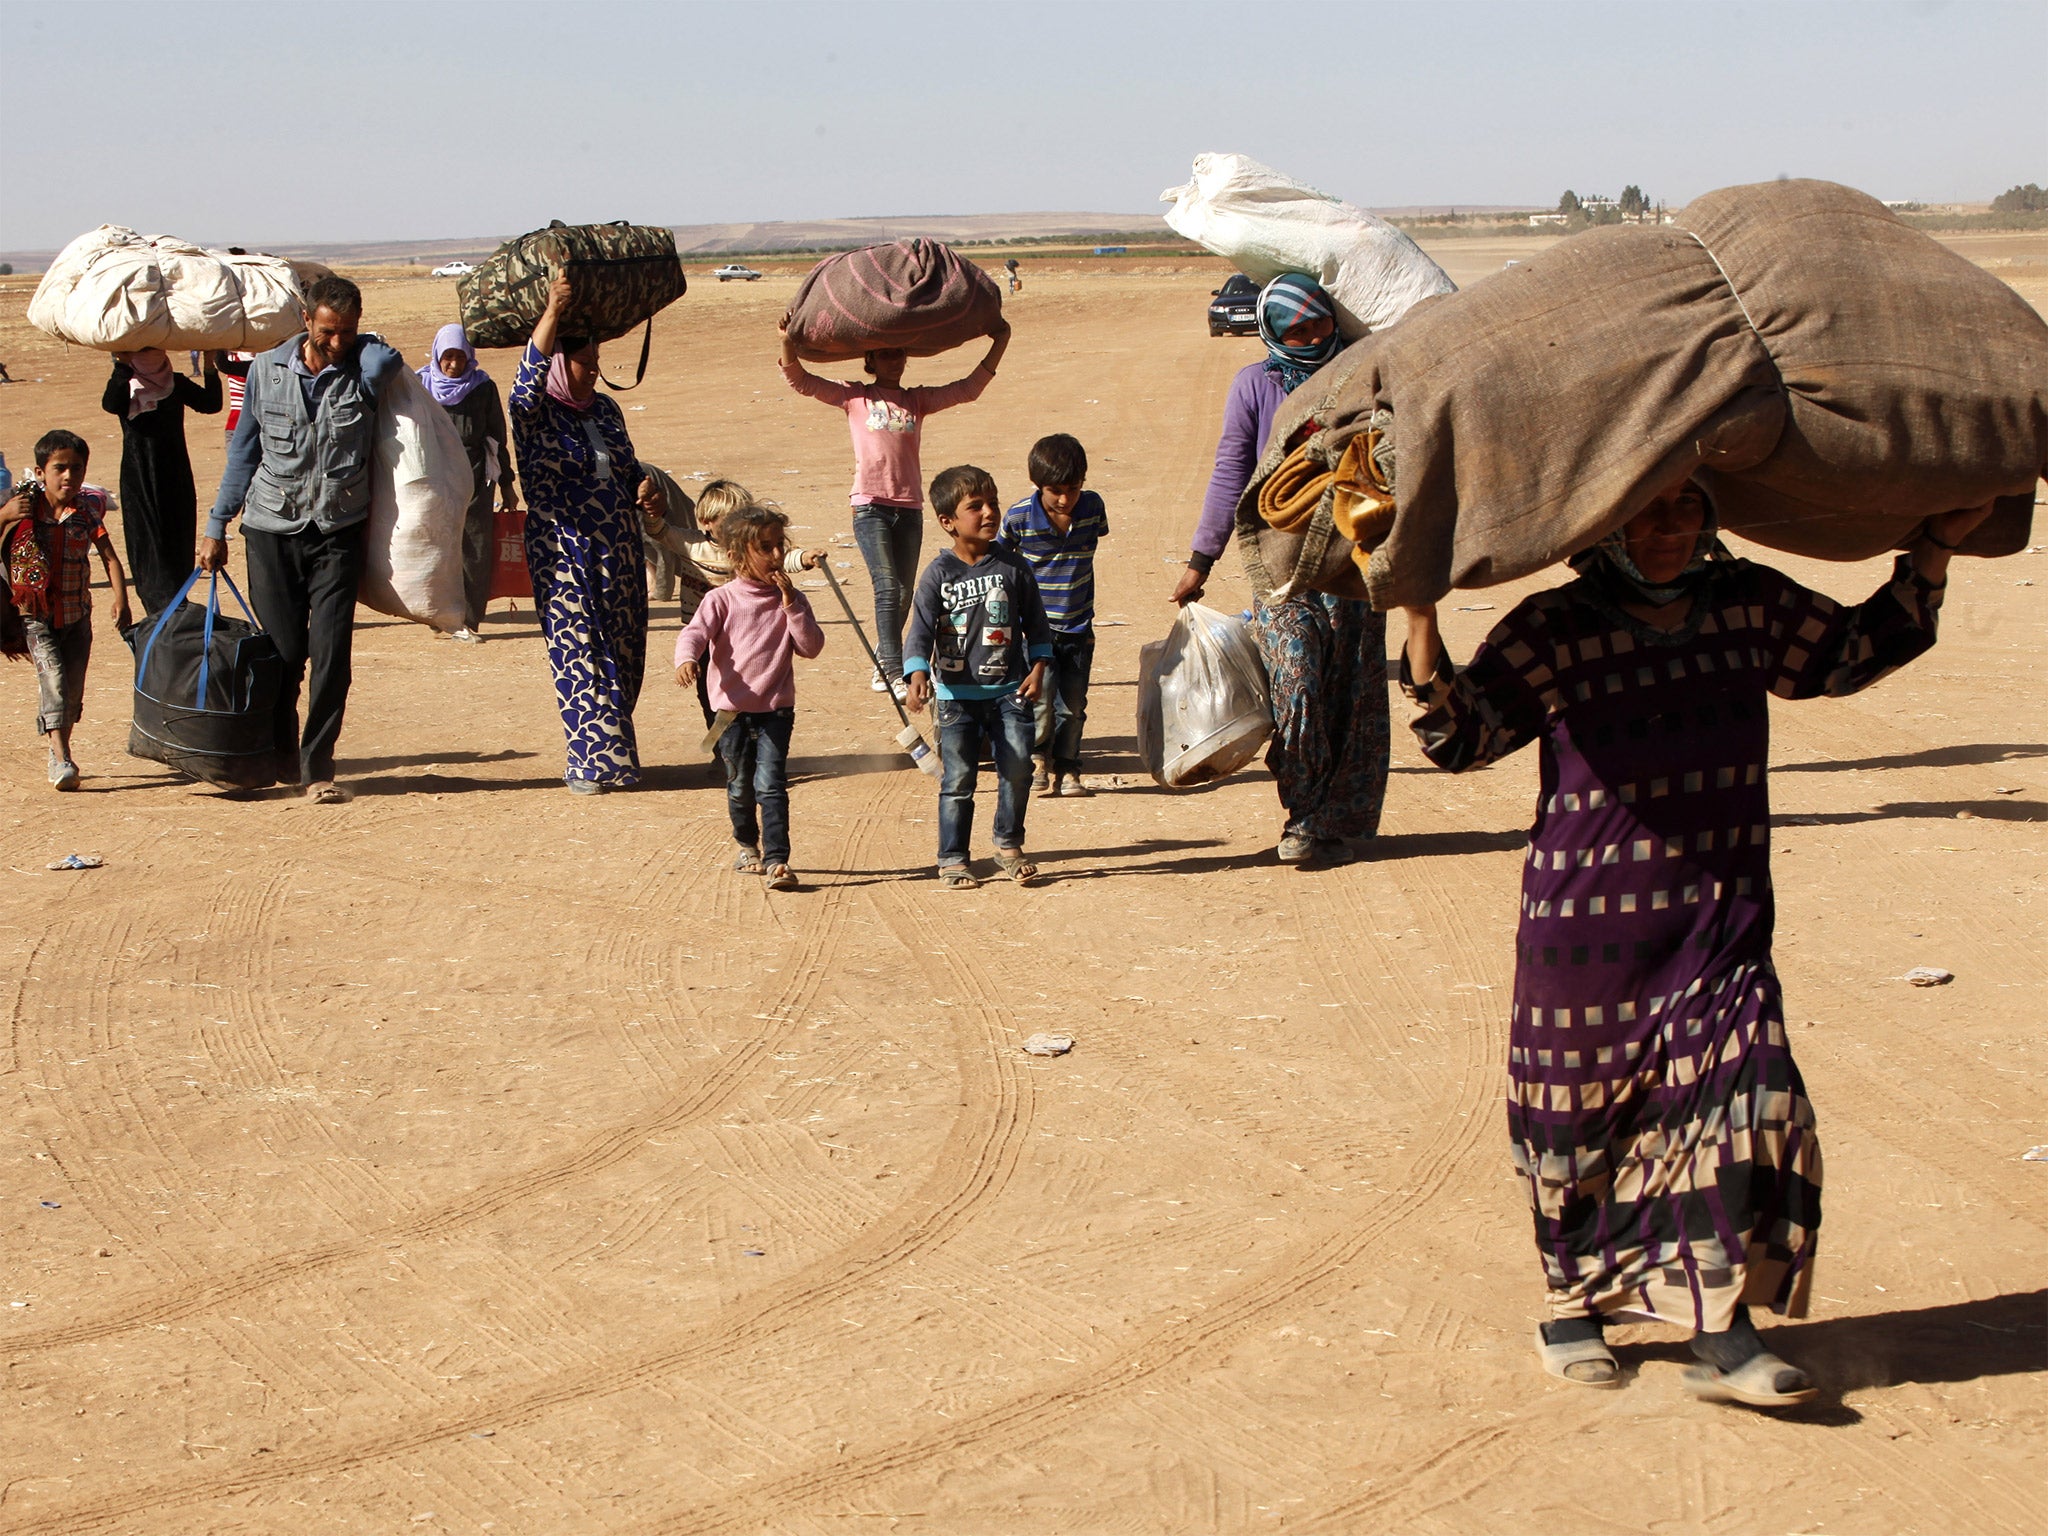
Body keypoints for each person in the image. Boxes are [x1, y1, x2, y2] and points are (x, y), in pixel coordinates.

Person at [1397, 478, 1995, 1408]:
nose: (1672, 531)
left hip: (1719, 918)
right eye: (1648, 511)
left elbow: (1843, 655)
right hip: (1588, 928)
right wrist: (1418, 611)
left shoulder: (1747, 603)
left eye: (1687, 509)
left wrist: (1933, 554)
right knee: (1574, 1122)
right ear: (1604, 521)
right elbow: (1460, 735)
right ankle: (1572, 1302)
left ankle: (1723, 1323)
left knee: (1746, 1101)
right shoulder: (1553, 626)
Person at [1171, 273, 1388, 868]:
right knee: (1297, 681)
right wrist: (1200, 561)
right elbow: (1230, 474)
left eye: (1321, 322)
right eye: (1298, 328)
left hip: (1354, 560)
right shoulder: (1254, 386)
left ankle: (1326, 821)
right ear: (1273, 331)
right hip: (1280, 565)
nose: (1313, 335)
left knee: (1351, 691)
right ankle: (1301, 807)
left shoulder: (1361, 373)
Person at [202, 274, 402, 802]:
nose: (337, 343)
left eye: (349, 333)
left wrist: (363, 345)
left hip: (338, 530)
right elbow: (244, 454)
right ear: (306, 320)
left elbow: (389, 359)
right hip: (271, 529)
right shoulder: (265, 371)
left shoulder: (363, 368)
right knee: (285, 653)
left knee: (332, 652)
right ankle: (281, 752)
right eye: (328, 332)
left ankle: (318, 767)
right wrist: (216, 524)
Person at [779, 316, 1010, 699]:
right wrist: (787, 339)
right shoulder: (854, 397)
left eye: (899, 352)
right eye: (886, 353)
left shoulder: (915, 400)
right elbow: (799, 379)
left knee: (903, 593)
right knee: (886, 587)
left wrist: (999, 341)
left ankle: (881, 663)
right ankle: (890, 667)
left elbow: (968, 389)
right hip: (870, 507)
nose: (894, 359)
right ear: (870, 358)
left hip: (910, 508)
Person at [511, 271, 646, 793]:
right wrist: (551, 313)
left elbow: (629, 468)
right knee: (581, 650)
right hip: (563, 549)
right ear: (558, 363)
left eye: (595, 365)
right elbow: (524, 384)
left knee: (626, 651)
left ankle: (613, 748)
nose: (592, 374)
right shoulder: (535, 411)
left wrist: (644, 490)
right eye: (583, 364)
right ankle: (593, 764)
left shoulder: (606, 410)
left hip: (620, 549)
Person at [903, 465, 1052, 889]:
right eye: (976, 506)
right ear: (948, 521)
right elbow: (919, 630)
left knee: (1018, 767)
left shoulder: (1014, 567)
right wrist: (916, 673)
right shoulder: (938, 574)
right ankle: (952, 857)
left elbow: (1038, 625)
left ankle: (1008, 845)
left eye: (993, 502)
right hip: (955, 696)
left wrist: (1039, 667)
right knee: (959, 779)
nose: (989, 512)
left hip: (1011, 690)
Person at [675, 501, 824, 893]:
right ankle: (746, 844)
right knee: (740, 785)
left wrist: (793, 607)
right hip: (730, 712)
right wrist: (686, 659)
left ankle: (778, 860)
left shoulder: (790, 599)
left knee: (771, 784)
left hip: (776, 709)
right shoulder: (721, 599)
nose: (776, 556)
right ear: (738, 555)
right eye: (765, 548)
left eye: (779, 545)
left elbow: (810, 647)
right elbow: (694, 633)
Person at [0, 430, 133, 790]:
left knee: (72, 690)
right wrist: (4, 515)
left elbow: (109, 558)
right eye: (60, 468)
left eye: (77, 468)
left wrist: (121, 598)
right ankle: (61, 757)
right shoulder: (21, 508)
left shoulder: (86, 512)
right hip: (35, 619)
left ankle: (61, 746)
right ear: (40, 471)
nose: (69, 476)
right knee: (54, 681)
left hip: (77, 617)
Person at [999, 432, 1108, 798]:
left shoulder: (1093, 509)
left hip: (1079, 626)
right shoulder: (1017, 518)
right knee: (1039, 701)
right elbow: (997, 561)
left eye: (1073, 488)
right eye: (1055, 490)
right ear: (1037, 485)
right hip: (1035, 632)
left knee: (1073, 706)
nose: (1065, 499)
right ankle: (1038, 761)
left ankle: (1069, 768)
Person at [100, 347, 221, 615]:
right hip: (139, 479)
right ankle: (160, 615)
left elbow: (211, 404)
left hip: (175, 476)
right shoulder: (126, 384)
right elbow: (110, 404)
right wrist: (122, 364)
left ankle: (175, 613)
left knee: (177, 545)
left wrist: (210, 363)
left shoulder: (175, 382)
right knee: (148, 550)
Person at [419, 323, 518, 643]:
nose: (452, 364)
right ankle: (439, 613)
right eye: (446, 357)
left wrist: (506, 483)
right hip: (434, 477)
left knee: (475, 545)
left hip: (475, 476)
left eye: (459, 357)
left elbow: (496, 437)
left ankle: (469, 616)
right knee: (438, 545)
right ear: (436, 356)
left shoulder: (482, 387)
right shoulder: (421, 385)